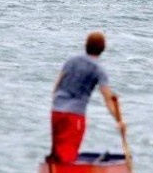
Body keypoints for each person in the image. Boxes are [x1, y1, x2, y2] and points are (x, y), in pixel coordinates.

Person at [49, 31, 124, 162]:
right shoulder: (98, 69)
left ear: (86, 45)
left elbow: (56, 87)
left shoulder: (71, 61)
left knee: (57, 152)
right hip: (74, 115)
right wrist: (119, 120)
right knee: (68, 154)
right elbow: (108, 99)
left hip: (56, 111)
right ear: (103, 49)